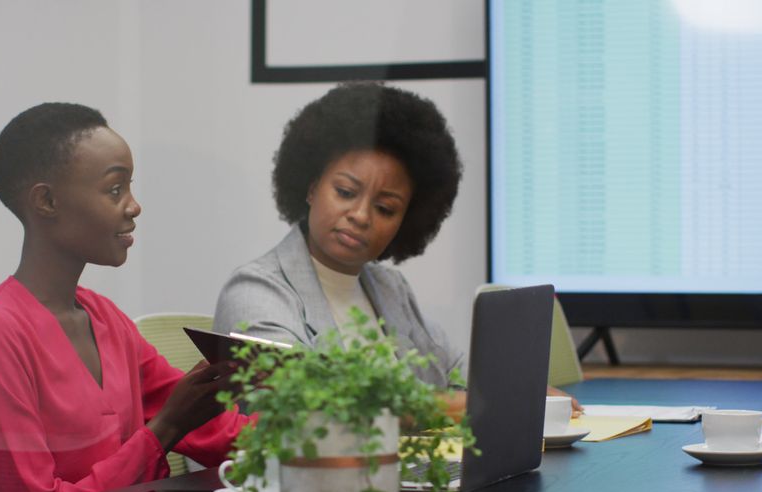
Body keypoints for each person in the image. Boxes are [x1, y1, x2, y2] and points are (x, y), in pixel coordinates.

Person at [0, 103, 248, 492]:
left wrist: (332, 434)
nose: (134, 206)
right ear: (47, 201)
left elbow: (214, 432)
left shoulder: (106, 319)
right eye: (114, 190)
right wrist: (164, 431)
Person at [213, 82, 581, 411]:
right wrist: (459, 405)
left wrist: (522, 392)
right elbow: (308, 405)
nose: (360, 215)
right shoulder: (254, 291)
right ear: (310, 187)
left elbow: (452, 370)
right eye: (345, 192)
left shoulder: (389, 289)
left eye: (385, 208)